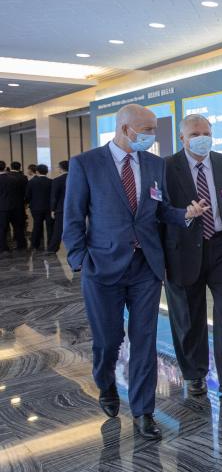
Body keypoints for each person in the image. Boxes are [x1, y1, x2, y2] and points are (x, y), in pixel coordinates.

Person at [64, 104, 209, 440]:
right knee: (108, 340)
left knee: (144, 340)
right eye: (146, 130)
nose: (151, 136)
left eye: (153, 130)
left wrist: (185, 214)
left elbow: (161, 210)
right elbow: (72, 217)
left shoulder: (154, 164)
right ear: (125, 128)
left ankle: (144, 411)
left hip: (146, 266)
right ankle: (105, 383)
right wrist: (80, 260)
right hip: (102, 267)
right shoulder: (86, 164)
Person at [163, 114, 222, 400]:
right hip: (182, 251)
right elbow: (159, 213)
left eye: (206, 133)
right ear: (182, 138)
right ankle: (194, 374)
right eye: (194, 134)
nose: (202, 138)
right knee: (188, 317)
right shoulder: (166, 168)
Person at [0, 161, 28, 252]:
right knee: (18, 227)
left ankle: (3, 247)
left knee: (2, 228)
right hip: (16, 206)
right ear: (5, 167)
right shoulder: (14, 179)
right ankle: (21, 244)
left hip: (2, 208)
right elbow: (21, 192)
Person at [25, 163, 52, 250]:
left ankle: (35, 245)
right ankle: (50, 245)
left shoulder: (31, 182)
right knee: (50, 227)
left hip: (36, 207)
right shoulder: (51, 182)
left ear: (37, 171)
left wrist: (27, 204)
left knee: (37, 226)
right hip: (49, 207)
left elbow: (28, 195)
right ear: (47, 171)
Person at [47, 161, 68, 253]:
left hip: (61, 208)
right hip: (75, 208)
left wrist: (52, 209)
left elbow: (54, 197)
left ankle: (52, 248)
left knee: (58, 230)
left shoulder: (57, 180)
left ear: (61, 169)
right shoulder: (76, 178)